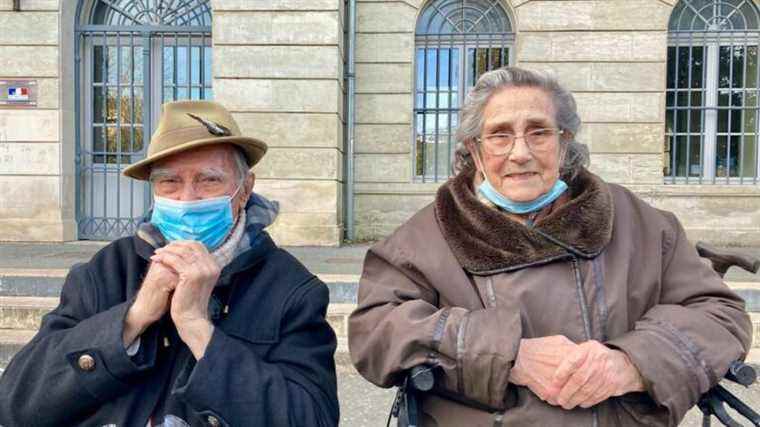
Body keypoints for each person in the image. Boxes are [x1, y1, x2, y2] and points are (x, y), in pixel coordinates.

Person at [348, 67, 753, 427]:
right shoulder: (423, 237)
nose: (520, 153)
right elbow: (376, 330)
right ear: (475, 149)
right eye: (500, 135)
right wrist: (510, 356)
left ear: (564, 142)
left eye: (539, 132)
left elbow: (720, 315)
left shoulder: (641, 223)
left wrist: (631, 363)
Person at [0, 100, 339, 427]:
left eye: (209, 180)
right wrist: (132, 318)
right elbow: (17, 405)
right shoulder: (108, 269)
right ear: (154, 191)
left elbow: (310, 417)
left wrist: (197, 328)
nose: (188, 199)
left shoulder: (291, 288)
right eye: (170, 182)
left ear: (245, 189)